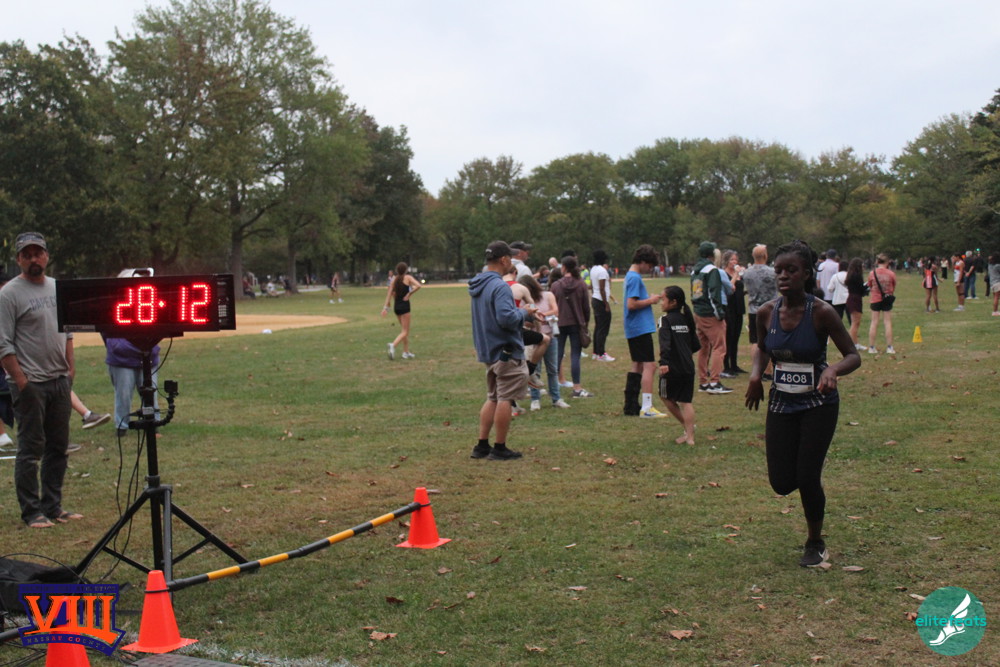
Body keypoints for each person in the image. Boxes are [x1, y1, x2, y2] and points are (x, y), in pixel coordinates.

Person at [745, 239, 861, 567]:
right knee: (782, 482)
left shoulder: (821, 312)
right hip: (782, 402)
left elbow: (853, 356)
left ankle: (815, 541)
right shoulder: (766, 312)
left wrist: (833, 370)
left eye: (791, 270)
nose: (783, 276)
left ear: (807, 274)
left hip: (818, 404)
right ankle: (804, 475)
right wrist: (755, 376)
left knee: (808, 476)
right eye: (779, 270)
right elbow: (762, 349)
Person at [0, 232, 77, 528]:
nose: (34, 259)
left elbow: (67, 332)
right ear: (19, 259)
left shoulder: (57, 288)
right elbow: (3, 344)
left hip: (59, 380)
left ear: (46, 256)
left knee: (58, 447)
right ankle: (32, 512)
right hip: (30, 383)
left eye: (38, 253)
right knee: (31, 450)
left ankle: (53, 507)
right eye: (27, 254)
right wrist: (22, 382)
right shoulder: (9, 294)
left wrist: (70, 371)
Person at [468, 241, 540, 461]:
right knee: (505, 398)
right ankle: (499, 448)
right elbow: (506, 318)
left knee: (493, 397)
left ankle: (482, 445)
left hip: (488, 349)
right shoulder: (499, 286)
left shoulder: (478, 284)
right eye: (511, 258)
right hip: (505, 350)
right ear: (504, 259)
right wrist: (525, 312)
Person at [623, 244, 666, 418]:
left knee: (638, 365)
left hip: (634, 327)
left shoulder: (630, 276)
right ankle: (647, 407)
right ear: (642, 261)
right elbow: (631, 304)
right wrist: (651, 300)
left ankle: (631, 405)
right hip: (640, 327)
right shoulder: (635, 278)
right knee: (650, 365)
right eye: (649, 265)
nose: (650, 269)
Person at [520, 275, 570, 410]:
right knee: (534, 371)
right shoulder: (524, 302)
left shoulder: (547, 295)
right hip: (534, 339)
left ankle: (556, 398)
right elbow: (522, 319)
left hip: (550, 336)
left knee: (552, 370)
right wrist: (530, 322)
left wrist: (542, 315)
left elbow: (555, 310)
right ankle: (535, 399)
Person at [658, 286, 699, 445]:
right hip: (688, 366)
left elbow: (665, 343)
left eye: (663, 299)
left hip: (671, 367)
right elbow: (695, 344)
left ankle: (687, 427)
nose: (661, 302)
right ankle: (690, 437)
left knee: (665, 396)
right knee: (686, 401)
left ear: (673, 302)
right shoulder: (687, 318)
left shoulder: (665, 320)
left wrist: (664, 362)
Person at [691, 241, 732, 394]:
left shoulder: (695, 270)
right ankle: (715, 382)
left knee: (703, 348)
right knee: (719, 347)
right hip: (709, 313)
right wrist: (719, 313)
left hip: (698, 311)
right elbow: (714, 293)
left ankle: (703, 381)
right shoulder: (712, 270)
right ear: (712, 254)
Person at [550, 256, 593, 398]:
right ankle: (577, 387)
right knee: (575, 355)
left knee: (557, 355)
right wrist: (585, 323)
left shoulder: (555, 286)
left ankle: (554, 386)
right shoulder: (581, 284)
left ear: (564, 267)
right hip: (576, 323)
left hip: (559, 323)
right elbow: (586, 307)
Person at [104, 336, 160, 437]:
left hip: (149, 354)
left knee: (150, 394)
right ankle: (122, 427)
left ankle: (152, 424)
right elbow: (105, 331)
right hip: (120, 358)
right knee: (123, 395)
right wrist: (116, 345)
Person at [742, 244, 778, 382]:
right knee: (771, 340)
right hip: (770, 309)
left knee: (755, 341)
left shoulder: (747, 272)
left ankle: (758, 369)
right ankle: (768, 371)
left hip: (753, 309)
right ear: (765, 255)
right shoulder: (772, 272)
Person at [382, 262, 422, 360]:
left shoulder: (394, 280)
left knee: (403, 331)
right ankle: (393, 345)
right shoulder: (408, 278)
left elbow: (389, 294)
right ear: (406, 270)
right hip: (405, 306)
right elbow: (418, 285)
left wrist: (385, 308)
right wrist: (409, 294)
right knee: (405, 331)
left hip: (397, 307)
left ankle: (406, 352)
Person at [721, 249, 747, 377]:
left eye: (736, 259)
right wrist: (736, 275)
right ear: (726, 261)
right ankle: (726, 366)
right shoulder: (724, 274)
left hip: (738, 308)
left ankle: (734, 365)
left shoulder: (738, 274)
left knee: (736, 337)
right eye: (732, 259)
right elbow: (729, 288)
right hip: (729, 309)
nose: (734, 262)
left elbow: (741, 288)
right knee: (728, 338)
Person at [867, 253, 897, 355]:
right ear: (887, 262)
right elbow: (893, 285)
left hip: (875, 299)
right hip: (887, 299)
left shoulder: (872, 273)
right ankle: (889, 347)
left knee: (874, 322)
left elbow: (869, 285)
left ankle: (871, 347)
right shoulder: (891, 273)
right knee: (887, 322)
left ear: (877, 261)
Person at [590, 250, 615, 362]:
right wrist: (606, 304)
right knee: (603, 328)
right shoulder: (602, 271)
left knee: (598, 327)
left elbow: (592, 286)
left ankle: (595, 352)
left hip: (595, 299)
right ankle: (601, 354)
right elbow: (602, 289)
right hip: (601, 300)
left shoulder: (593, 269)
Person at [844, 258, 867, 349]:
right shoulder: (857, 277)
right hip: (855, 299)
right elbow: (861, 289)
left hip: (851, 298)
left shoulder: (850, 276)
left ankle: (855, 342)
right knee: (855, 323)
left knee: (855, 323)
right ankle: (854, 344)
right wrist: (867, 287)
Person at [990, 252, 1000, 316]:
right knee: (997, 297)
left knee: (995, 297)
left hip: (992, 282)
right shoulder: (998, 266)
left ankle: (995, 310)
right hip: (998, 282)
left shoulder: (990, 265)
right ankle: (995, 311)